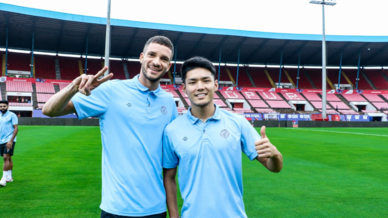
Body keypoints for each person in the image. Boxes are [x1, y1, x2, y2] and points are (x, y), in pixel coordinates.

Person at [43, 36, 178, 218]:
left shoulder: (169, 102)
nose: (156, 62)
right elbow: (49, 110)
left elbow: (169, 167)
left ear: (169, 66)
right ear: (141, 57)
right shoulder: (112, 90)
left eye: (164, 59)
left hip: (156, 209)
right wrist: (73, 87)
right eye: (152, 55)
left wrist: (174, 215)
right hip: (116, 208)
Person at [163, 57, 283, 218]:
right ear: (184, 88)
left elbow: (274, 167)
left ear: (216, 85)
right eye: (193, 82)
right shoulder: (172, 130)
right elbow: (169, 177)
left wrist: (275, 154)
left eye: (206, 80)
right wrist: (174, 216)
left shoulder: (238, 122)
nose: (200, 87)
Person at [0, 100, 19, 187]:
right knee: (8, 157)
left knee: (5, 157)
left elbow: (16, 128)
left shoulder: (12, 115)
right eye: (1, 106)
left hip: (9, 140)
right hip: (1, 140)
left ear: (7, 106)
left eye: (4, 106)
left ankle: (3, 179)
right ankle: (10, 177)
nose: (2, 108)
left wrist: (11, 140)